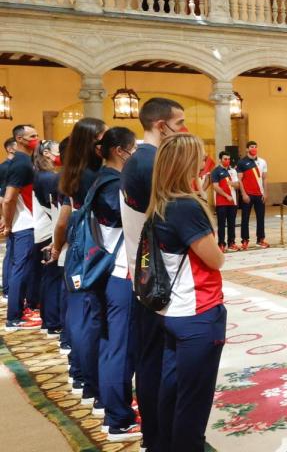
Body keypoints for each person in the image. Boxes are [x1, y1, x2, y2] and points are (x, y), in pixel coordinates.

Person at [146, 133, 226, 451]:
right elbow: (215, 258)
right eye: (199, 159)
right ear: (186, 164)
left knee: (173, 393)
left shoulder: (161, 203)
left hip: (173, 312)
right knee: (193, 402)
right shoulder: (185, 207)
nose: (203, 164)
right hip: (198, 312)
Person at [121, 97, 186, 451]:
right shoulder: (150, 162)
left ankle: (159, 432)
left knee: (156, 357)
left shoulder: (141, 160)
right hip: (155, 277)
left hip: (146, 271)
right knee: (155, 360)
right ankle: (159, 436)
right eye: (179, 125)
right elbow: (174, 220)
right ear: (162, 126)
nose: (183, 132)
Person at [90, 127, 141, 439]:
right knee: (119, 347)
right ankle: (118, 418)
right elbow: (118, 217)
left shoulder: (105, 179)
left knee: (117, 344)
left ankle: (116, 405)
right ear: (122, 150)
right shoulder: (111, 183)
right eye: (133, 149)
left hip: (115, 269)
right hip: (120, 270)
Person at [51, 118, 105, 411]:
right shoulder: (96, 174)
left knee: (79, 316)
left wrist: (59, 247)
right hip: (95, 249)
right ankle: (96, 386)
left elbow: (64, 220)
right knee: (94, 319)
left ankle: (81, 376)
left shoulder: (71, 173)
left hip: (76, 249)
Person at [3, 124, 42, 330]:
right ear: (19, 139)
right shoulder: (20, 164)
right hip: (25, 223)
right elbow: (8, 198)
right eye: (32, 136)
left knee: (27, 268)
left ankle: (27, 308)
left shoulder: (23, 162)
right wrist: (7, 223)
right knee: (21, 269)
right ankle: (14, 317)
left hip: (26, 222)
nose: (37, 139)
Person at [33, 140, 62, 337]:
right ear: (46, 153)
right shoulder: (48, 178)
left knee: (48, 277)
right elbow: (56, 210)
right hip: (48, 231)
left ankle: (48, 319)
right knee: (52, 277)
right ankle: (52, 320)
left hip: (46, 229)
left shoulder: (43, 175)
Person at [235, 141, 269, 249]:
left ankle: (261, 239)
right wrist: (243, 194)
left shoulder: (262, 162)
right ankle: (245, 240)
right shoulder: (241, 162)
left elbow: (264, 178)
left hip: (260, 195)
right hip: (248, 195)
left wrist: (265, 192)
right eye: (251, 147)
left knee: (261, 218)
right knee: (245, 218)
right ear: (247, 149)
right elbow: (239, 180)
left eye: (255, 147)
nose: (253, 148)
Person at [211, 151, 240, 252]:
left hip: (233, 202)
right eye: (225, 159)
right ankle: (221, 244)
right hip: (221, 203)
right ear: (220, 159)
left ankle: (231, 243)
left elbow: (238, 185)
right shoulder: (216, 171)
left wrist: (233, 183)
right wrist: (226, 196)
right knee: (222, 224)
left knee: (232, 223)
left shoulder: (233, 171)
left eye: (228, 159)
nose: (227, 161)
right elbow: (215, 186)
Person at [1, 137, 16, 302]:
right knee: (11, 253)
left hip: (13, 214)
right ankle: (7, 290)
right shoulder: (5, 168)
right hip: (10, 216)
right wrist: (5, 219)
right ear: (11, 149)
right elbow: (4, 197)